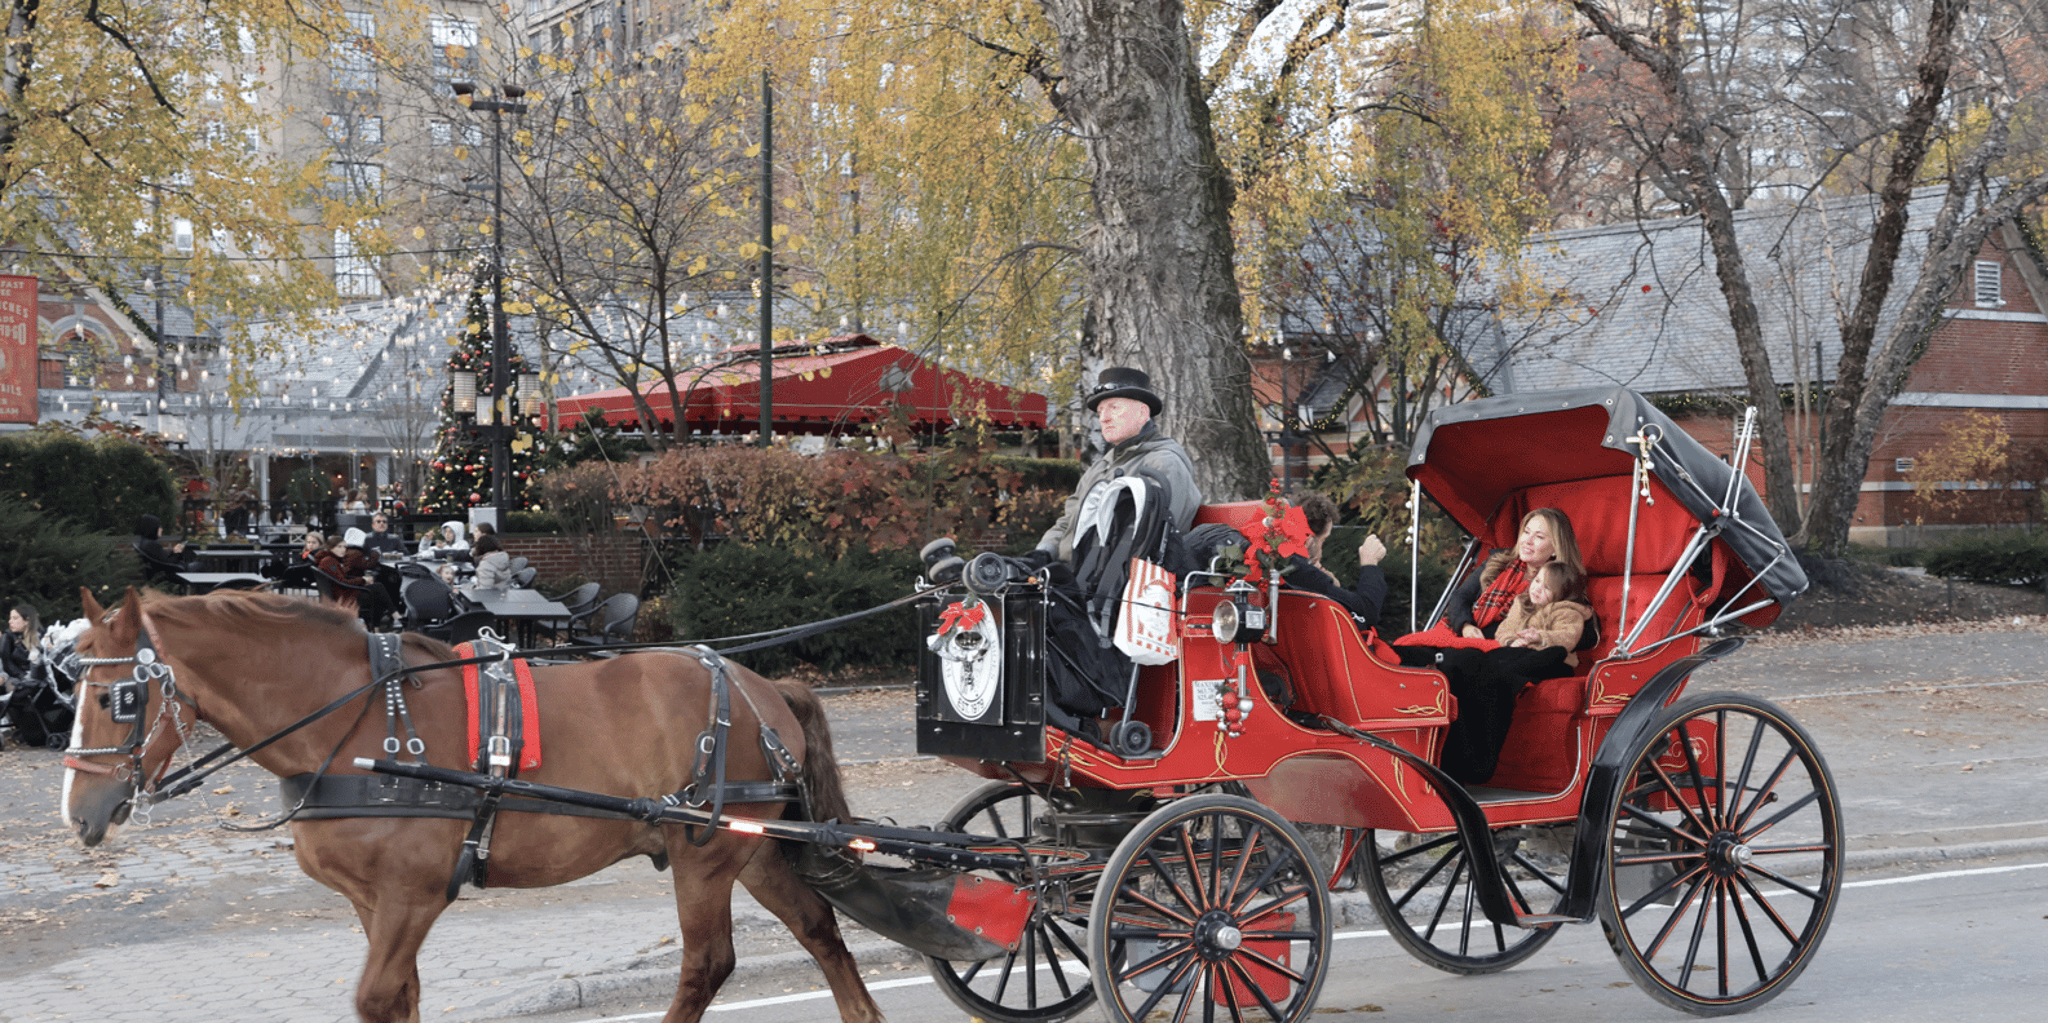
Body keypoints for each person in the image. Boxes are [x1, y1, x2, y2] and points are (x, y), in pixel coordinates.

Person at [1033, 366, 1202, 564]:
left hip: (1112, 579)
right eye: (1100, 411)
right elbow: (1068, 521)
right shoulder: (1100, 467)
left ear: (1142, 413)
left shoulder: (1164, 463)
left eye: (1114, 408)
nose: (1104, 418)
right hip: (1073, 573)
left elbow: (1149, 541)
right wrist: (1043, 553)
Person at [1442, 507, 1584, 640]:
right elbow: (1460, 597)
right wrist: (1466, 626)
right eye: (1526, 532)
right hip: (1467, 636)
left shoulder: (1564, 580)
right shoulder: (1497, 561)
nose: (1527, 541)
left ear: (1555, 548)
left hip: (1509, 648)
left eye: (1539, 537)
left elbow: (1579, 628)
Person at [1283, 491, 1389, 629]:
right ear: (1308, 540)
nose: (1321, 551)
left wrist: (1333, 588)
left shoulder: (1278, 567)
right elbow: (1366, 613)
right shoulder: (1302, 574)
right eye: (1323, 540)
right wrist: (1370, 564)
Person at [1497, 560, 1595, 668]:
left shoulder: (1568, 612)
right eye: (1537, 580)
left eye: (1547, 587)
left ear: (1562, 593)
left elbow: (1567, 637)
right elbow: (1505, 629)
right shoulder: (1522, 603)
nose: (1537, 589)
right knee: (1489, 659)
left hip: (1554, 662)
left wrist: (1540, 637)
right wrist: (1511, 642)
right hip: (1519, 654)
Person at [2, 605, 41, 683]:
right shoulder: (8, 636)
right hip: (15, 678)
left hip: (39, 678)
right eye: (10, 618)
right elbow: (6, 662)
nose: (10, 621)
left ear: (27, 620)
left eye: (15, 618)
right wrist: (23, 676)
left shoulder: (42, 636)